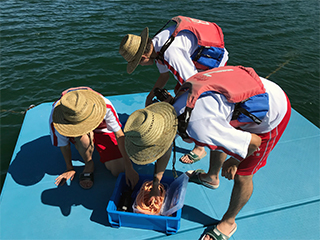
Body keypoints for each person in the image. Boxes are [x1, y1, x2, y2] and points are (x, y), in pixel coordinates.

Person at [123, 67, 291, 240]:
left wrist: (234, 161)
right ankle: (212, 177)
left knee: (243, 176)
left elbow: (254, 143)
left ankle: (229, 222)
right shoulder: (168, 111)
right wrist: (156, 183)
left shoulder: (201, 128)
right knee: (220, 139)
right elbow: (166, 149)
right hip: (242, 96)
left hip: (272, 113)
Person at [119, 15, 229, 165]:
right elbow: (164, 76)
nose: (141, 66)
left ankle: (200, 147)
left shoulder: (171, 53)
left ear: (144, 57)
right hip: (193, 59)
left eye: (138, 63)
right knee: (179, 93)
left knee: (193, 104)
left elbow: (196, 86)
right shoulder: (156, 46)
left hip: (213, 62)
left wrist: (173, 102)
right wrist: (150, 97)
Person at [49, 87, 139, 190]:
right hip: (77, 132)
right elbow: (64, 146)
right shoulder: (56, 119)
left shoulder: (105, 106)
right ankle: (89, 163)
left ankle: (91, 141)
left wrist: (129, 166)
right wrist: (69, 168)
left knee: (119, 170)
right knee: (83, 138)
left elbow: (119, 134)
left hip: (100, 127)